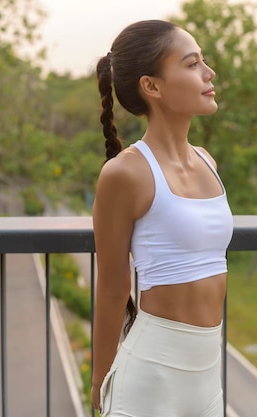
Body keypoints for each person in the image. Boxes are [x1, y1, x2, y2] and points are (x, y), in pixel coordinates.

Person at [91, 19, 233, 417]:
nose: (209, 73)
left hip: (207, 376)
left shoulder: (207, 161)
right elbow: (113, 290)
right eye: (191, 64)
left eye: (203, 62)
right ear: (151, 86)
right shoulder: (126, 173)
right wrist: (100, 382)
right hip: (151, 377)